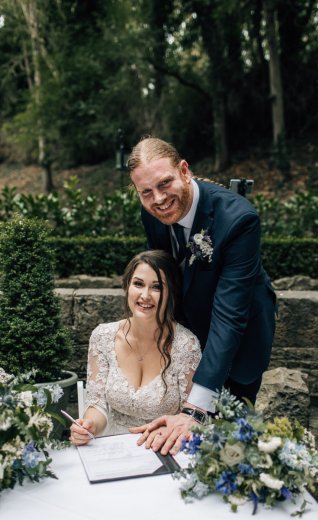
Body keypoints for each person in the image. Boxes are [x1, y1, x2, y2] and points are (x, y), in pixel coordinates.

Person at [128, 136, 276, 455]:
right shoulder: (151, 212)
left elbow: (229, 316)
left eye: (165, 183)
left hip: (240, 336)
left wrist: (197, 409)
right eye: (146, 193)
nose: (158, 199)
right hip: (190, 336)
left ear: (184, 170)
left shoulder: (239, 220)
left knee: (232, 443)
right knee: (180, 441)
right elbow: (162, 277)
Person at [69, 250, 201, 450]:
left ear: (171, 293)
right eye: (138, 284)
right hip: (112, 451)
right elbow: (97, 404)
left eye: (157, 287)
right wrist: (89, 426)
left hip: (164, 449)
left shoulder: (186, 345)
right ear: (127, 286)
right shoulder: (102, 337)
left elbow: (189, 417)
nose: (145, 295)